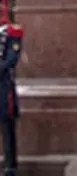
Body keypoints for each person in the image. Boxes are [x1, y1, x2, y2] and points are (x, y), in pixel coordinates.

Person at [0, 22, 22, 176]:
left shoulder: (12, 32)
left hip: (2, 84)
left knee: (6, 124)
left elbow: (12, 58)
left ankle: (10, 165)